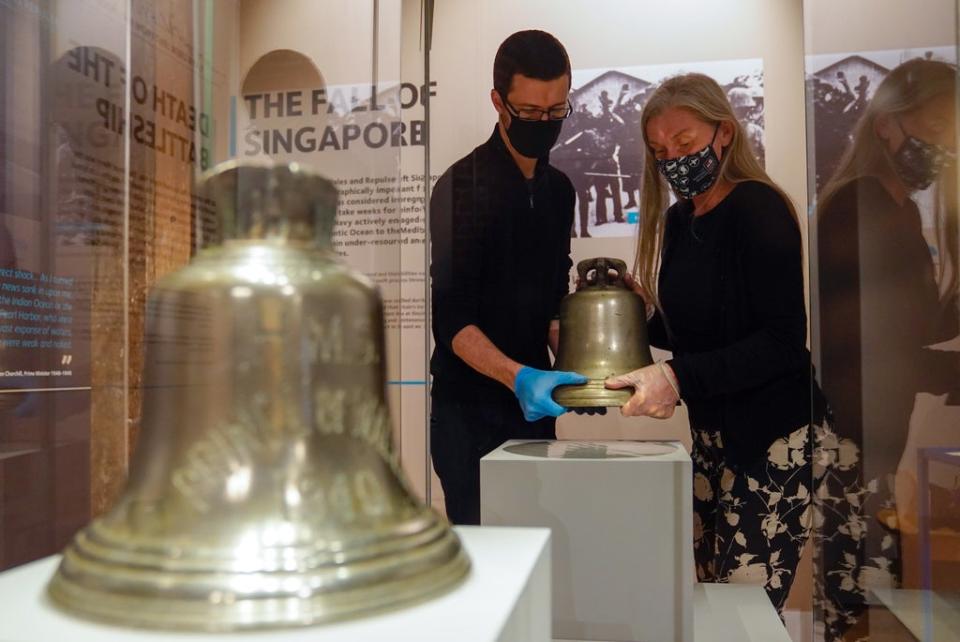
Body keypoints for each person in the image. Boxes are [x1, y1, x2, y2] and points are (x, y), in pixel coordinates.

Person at [604, 72, 822, 613]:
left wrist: (676, 377)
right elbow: (693, 331)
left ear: (723, 134)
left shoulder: (759, 209)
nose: (673, 158)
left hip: (771, 439)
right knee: (711, 598)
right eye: (660, 149)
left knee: (743, 610)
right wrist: (632, 314)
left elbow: (782, 342)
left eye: (684, 142)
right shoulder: (680, 220)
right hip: (712, 440)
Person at [814, 58, 958, 641]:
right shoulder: (863, 205)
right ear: (886, 126)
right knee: (858, 604)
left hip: (875, 429)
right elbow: (882, 339)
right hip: (856, 430)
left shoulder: (894, 207)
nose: (943, 142)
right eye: (934, 125)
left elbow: (917, 320)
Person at [429, 30, 585, 525]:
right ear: (498, 102)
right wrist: (518, 377)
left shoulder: (559, 191)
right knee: (487, 562)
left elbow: (552, 299)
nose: (545, 124)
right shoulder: (460, 187)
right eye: (531, 113)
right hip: (468, 413)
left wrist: (579, 368)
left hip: (532, 414)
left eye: (556, 111)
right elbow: (452, 321)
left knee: (534, 551)